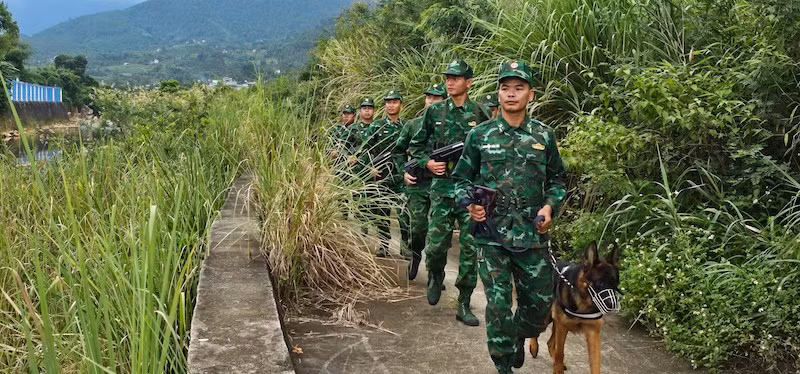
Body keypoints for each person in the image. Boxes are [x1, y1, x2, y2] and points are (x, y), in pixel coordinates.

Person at [452, 60, 567, 374]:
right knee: (499, 304)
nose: (511, 94)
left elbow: (558, 181)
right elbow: (460, 180)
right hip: (491, 235)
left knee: (540, 308)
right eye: (505, 88)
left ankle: (519, 335)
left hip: (532, 235)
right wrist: (470, 204)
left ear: (530, 93)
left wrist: (549, 207)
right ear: (499, 93)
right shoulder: (480, 135)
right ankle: (502, 363)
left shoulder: (544, 135)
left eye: (518, 88)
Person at [408, 59, 491, 326]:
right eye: (448, 77)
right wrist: (427, 163)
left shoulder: (480, 113)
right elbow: (416, 145)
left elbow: (490, 151)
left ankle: (464, 302)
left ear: (469, 82)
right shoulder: (434, 113)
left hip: (469, 194)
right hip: (442, 190)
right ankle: (435, 275)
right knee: (435, 247)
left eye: (456, 77)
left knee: (469, 250)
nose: (450, 81)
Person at [392, 83, 446, 279]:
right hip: (418, 185)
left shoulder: (449, 126)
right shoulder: (413, 125)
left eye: (437, 98)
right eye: (429, 97)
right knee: (418, 228)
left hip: (442, 185)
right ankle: (415, 257)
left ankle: (435, 272)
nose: (431, 101)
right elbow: (398, 151)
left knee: (438, 233)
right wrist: (402, 173)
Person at [361, 90, 407, 257]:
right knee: (382, 212)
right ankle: (384, 243)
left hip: (401, 176)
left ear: (401, 104)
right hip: (382, 175)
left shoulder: (406, 126)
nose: (391, 104)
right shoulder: (376, 126)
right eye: (388, 102)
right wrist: (370, 168)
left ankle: (405, 244)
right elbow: (364, 149)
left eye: (394, 101)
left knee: (404, 213)